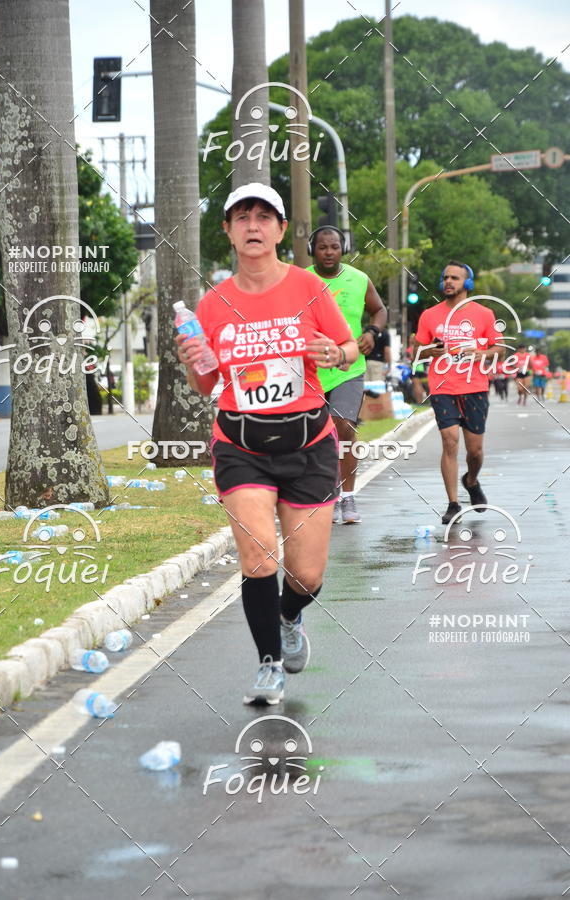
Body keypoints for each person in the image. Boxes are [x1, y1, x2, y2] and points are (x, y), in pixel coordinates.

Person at [176, 183, 358, 705]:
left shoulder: (308, 288)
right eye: (241, 217)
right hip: (241, 445)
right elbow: (207, 385)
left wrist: (335, 353)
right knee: (257, 557)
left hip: (308, 443)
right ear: (229, 231)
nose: (253, 226)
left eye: (263, 217)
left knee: (307, 573)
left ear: (280, 230)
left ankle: (289, 615)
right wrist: (194, 361)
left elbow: (346, 345)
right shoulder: (212, 305)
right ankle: (268, 665)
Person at [307, 226, 387, 524]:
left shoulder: (359, 279)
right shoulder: (301, 280)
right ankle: (329, 492)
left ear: (343, 249)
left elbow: (379, 310)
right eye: (323, 247)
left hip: (348, 367)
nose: (329, 252)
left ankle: (348, 497)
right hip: (310, 369)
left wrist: (372, 331)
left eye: (334, 246)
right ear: (312, 249)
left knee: (343, 428)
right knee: (316, 436)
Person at [413, 261, 503, 525]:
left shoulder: (484, 314)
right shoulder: (429, 315)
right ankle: (453, 503)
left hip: (474, 387)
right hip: (442, 386)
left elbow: (500, 349)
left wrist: (482, 353)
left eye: (454, 277)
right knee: (449, 441)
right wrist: (430, 351)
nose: (448, 281)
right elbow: (417, 349)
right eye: (445, 277)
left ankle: (471, 480)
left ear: (468, 283)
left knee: (475, 451)